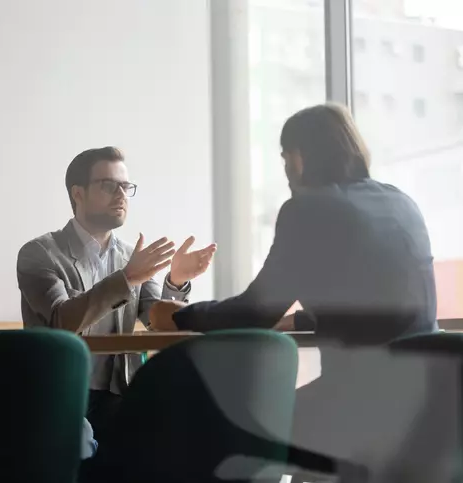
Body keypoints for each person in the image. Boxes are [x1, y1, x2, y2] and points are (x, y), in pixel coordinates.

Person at [149, 103, 437, 365]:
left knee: (242, 417)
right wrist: (299, 320)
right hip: (435, 391)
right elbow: (376, 296)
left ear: (301, 157)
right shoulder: (401, 201)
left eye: (286, 159)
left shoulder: (308, 210)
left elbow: (254, 313)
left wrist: (179, 315)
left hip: (369, 396)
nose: (286, 171)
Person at [17, 146, 216, 442]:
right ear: (78, 193)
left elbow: (156, 320)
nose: (121, 195)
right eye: (109, 185)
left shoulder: (128, 257)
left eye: (126, 186)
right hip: (58, 394)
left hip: (120, 396)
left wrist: (175, 282)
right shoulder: (39, 253)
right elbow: (62, 320)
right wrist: (127, 278)